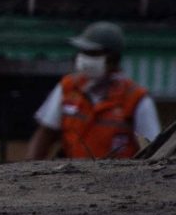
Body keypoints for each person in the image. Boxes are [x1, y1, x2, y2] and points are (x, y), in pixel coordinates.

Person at [30, 22, 164, 160]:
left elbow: (152, 150)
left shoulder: (136, 99)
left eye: (92, 53)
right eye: (82, 52)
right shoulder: (68, 87)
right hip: (71, 175)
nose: (84, 58)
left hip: (116, 178)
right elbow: (45, 133)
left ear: (113, 58)